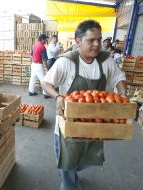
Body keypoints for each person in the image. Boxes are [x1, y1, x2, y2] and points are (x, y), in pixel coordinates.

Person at [42, 20, 126, 190]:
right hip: (68, 124)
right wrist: (58, 97)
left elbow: (119, 78)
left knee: (86, 157)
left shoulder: (105, 60)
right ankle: (69, 181)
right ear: (78, 41)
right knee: (67, 162)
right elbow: (46, 83)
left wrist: (123, 95)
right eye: (91, 40)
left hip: (94, 124)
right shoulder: (67, 62)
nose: (97, 45)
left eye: (99, 40)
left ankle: (69, 170)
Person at [29, 33, 50, 99]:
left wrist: (35, 58)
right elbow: (44, 60)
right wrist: (47, 68)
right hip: (38, 65)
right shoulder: (42, 47)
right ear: (42, 39)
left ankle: (31, 91)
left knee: (32, 78)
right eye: (45, 39)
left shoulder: (35, 45)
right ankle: (45, 94)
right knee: (43, 80)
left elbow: (31, 54)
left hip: (33, 64)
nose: (46, 41)